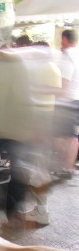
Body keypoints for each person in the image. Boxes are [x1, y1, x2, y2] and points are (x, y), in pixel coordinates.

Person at [54, 29, 79, 180]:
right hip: (76, 99)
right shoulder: (77, 54)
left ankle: (67, 166)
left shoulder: (68, 57)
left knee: (61, 136)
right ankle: (68, 165)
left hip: (67, 100)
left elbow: (64, 84)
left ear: (64, 39)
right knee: (71, 135)